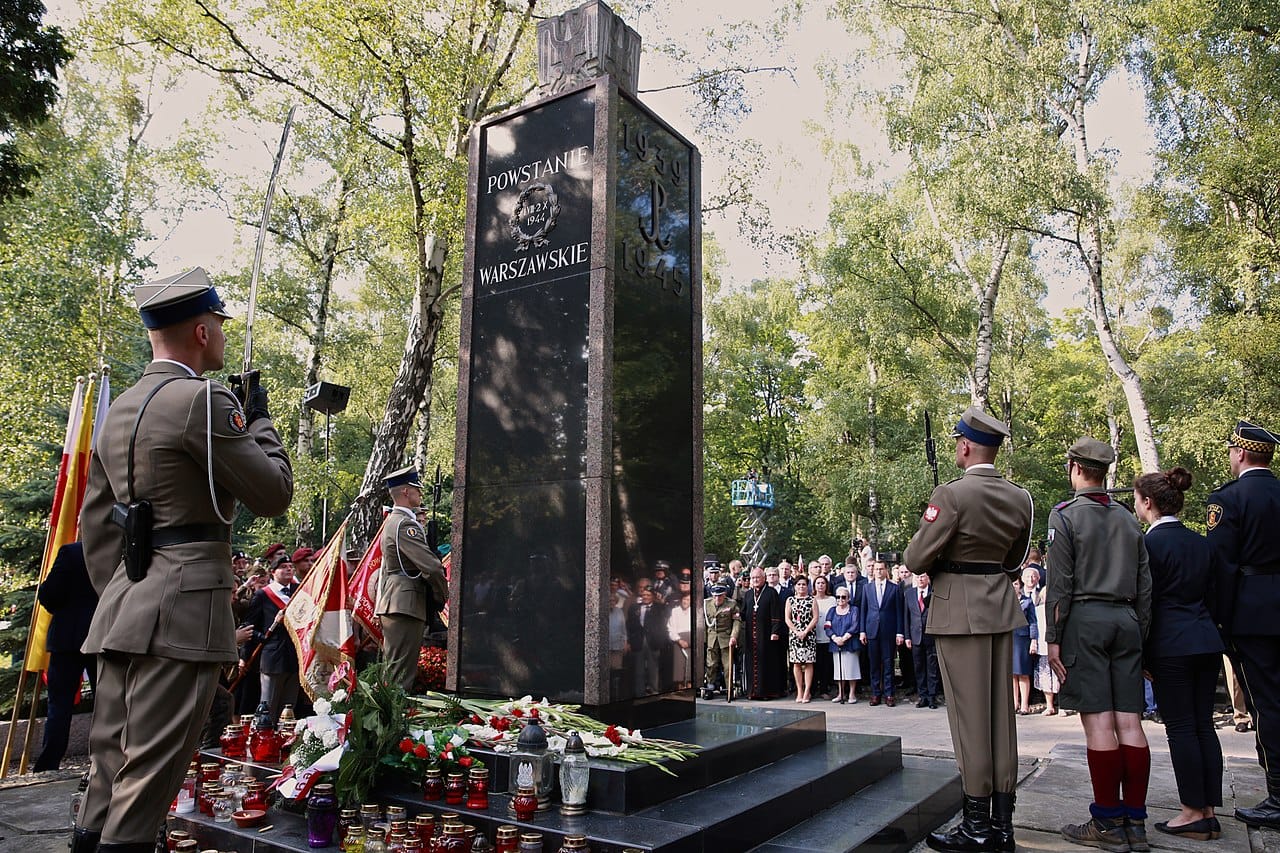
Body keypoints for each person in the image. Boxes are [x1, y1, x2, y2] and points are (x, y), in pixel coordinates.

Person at [76, 268, 292, 853]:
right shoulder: (202, 400)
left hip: (125, 606)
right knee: (150, 778)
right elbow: (272, 494)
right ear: (200, 331)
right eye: (219, 324)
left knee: (108, 770)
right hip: (183, 612)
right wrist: (262, 421)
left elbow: (96, 525)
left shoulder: (120, 409)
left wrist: (127, 594)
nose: (222, 335)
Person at [903, 406, 1033, 853]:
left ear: (964, 445)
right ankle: (1002, 825)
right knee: (1001, 721)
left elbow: (916, 559)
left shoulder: (952, 494)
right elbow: (1014, 561)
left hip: (959, 613)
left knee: (970, 721)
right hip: (999, 606)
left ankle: (977, 827)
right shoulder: (1021, 497)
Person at [1045, 437, 1153, 853]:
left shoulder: (1065, 516)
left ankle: (1107, 821)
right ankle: (1135, 822)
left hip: (1086, 622)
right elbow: (1145, 587)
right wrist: (1140, 635)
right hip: (1126, 621)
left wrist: (1053, 638)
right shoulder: (1128, 519)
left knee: (1098, 724)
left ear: (1074, 467)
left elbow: (1061, 584)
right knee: (1130, 723)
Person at [1134, 467, 1225, 841]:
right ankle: (1207, 809)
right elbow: (1217, 596)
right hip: (1205, 640)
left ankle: (1191, 811)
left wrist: (1143, 652)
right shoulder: (1202, 543)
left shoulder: (1150, 546)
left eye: (1138, 501)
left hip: (1171, 644)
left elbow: (1145, 602)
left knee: (1182, 728)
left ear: (1148, 502)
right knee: (1203, 725)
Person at [1205, 420, 1280, 829]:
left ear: (1240, 454)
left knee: (1268, 705)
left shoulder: (1228, 500)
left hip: (1253, 614)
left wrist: (1221, 622)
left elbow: (1222, 567)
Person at [376, 466, 448, 692]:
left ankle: (390, 723)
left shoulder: (392, 522)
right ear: (406, 491)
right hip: (405, 604)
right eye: (417, 488)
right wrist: (441, 596)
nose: (420, 493)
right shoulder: (405, 525)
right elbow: (432, 568)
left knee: (396, 673)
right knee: (400, 679)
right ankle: (392, 725)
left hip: (396, 602)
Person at [33, 542, 99, 771]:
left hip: (67, 637)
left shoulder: (71, 552)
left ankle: (49, 763)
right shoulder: (115, 551)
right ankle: (104, 760)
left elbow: (49, 593)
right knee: (107, 702)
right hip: (102, 635)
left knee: (59, 706)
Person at [239, 553, 299, 723]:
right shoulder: (263, 595)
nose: (288, 569)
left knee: (289, 710)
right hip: (273, 657)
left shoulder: (298, 591)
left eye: (290, 567)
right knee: (267, 708)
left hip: (294, 656)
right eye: (283, 567)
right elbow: (248, 626)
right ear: (273, 572)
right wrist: (263, 637)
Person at [859, 560, 903, 707]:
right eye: (876, 569)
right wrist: (862, 631)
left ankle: (889, 694)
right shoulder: (867, 588)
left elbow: (899, 612)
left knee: (888, 663)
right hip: (872, 631)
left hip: (889, 631)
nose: (878, 571)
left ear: (886, 570)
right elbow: (863, 611)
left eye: (881, 569)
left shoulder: (895, 588)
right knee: (874, 664)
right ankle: (875, 694)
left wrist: (899, 633)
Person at [741, 567, 785, 699]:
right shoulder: (748, 594)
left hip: (766, 634)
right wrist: (736, 614)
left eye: (757, 577)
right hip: (751, 636)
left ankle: (766, 692)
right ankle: (753, 692)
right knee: (752, 663)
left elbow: (776, 614)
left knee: (766, 663)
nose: (755, 580)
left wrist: (775, 631)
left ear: (764, 578)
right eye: (753, 578)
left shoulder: (771, 592)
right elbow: (744, 612)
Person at [902, 570, 940, 709]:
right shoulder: (909, 593)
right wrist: (907, 636)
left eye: (923, 576)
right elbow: (906, 617)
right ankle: (922, 696)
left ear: (927, 578)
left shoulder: (934, 593)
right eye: (917, 577)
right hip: (915, 636)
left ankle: (932, 697)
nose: (920, 579)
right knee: (919, 668)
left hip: (931, 636)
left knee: (932, 668)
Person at [702, 583, 740, 698]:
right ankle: (709, 687)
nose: (717, 598)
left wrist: (734, 636)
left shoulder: (732, 604)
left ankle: (729, 688)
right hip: (711, 638)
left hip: (726, 638)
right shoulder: (706, 604)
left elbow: (737, 621)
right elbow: (703, 622)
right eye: (715, 596)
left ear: (724, 595)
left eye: (720, 596)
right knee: (711, 664)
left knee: (727, 666)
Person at [627, 587, 667, 695]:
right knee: (638, 670)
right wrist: (629, 641)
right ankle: (639, 693)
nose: (645, 597)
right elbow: (629, 625)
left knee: (653, 669)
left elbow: (663, 626)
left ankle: (654, 690)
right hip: (638, 642)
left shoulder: (659, 608)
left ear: (653, 597)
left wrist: (660, 640)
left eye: (648, 595)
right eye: (643, 595)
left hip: (653, 642)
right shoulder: (634, 607)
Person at [786, 576, 818, 702]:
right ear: (795, 586)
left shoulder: (812, 600)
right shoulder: (790, 600)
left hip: (809, 635)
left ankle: (807, 691)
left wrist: (805, 631)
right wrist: (796, 631)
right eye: (799, 584)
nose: (801, 587)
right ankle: (799, 691)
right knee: (797, 663)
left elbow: (815, 618)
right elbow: (787, 618)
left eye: (804, 584)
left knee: (809, 663)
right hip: (795, 635)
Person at [826, 586, 860, 703]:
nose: (841, 599)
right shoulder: (831, 610)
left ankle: (851, 694)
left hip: (850, 643)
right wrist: (835, 638)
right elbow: (827, 626)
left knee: (851, 669)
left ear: (849, 598)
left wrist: (844, 638)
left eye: (843, 597)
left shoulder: (854, 610)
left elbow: (855, 626)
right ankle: (841, 693)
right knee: (839, 670)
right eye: (838, 597)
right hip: (836, 643)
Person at [1012, 576, 1037, 715]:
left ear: (1020, 585)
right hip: (1009, 639)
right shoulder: (1006, 602)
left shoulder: (1027, 602)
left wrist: (1034, 640)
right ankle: (1014, 703)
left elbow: (1033, 621)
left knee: (1023, 673)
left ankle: (1024, 705)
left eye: (1015, 584)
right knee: (1012, 674)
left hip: (1022, 640)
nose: (1013, 586)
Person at [811, 574, 837, 700]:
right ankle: (812, 689)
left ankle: (824, 689)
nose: (820, 585)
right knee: (814, 665)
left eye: (823, 583)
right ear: (814, 585)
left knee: (826, 665)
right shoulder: (810, 599)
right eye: (818, 583)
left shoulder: (832, 600)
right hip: (814, 636)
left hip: (828, 637)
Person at [667, 591, 693, 689]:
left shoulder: (694, 611)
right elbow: (671, 629)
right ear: (681, 600)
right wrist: (679, 640)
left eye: (689, 600)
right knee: (679, 673)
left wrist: (690, 642)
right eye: (685, 599)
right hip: (679, 642)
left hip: (691, 641)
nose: (686, 602)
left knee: (690, 672)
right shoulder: (675, 611)